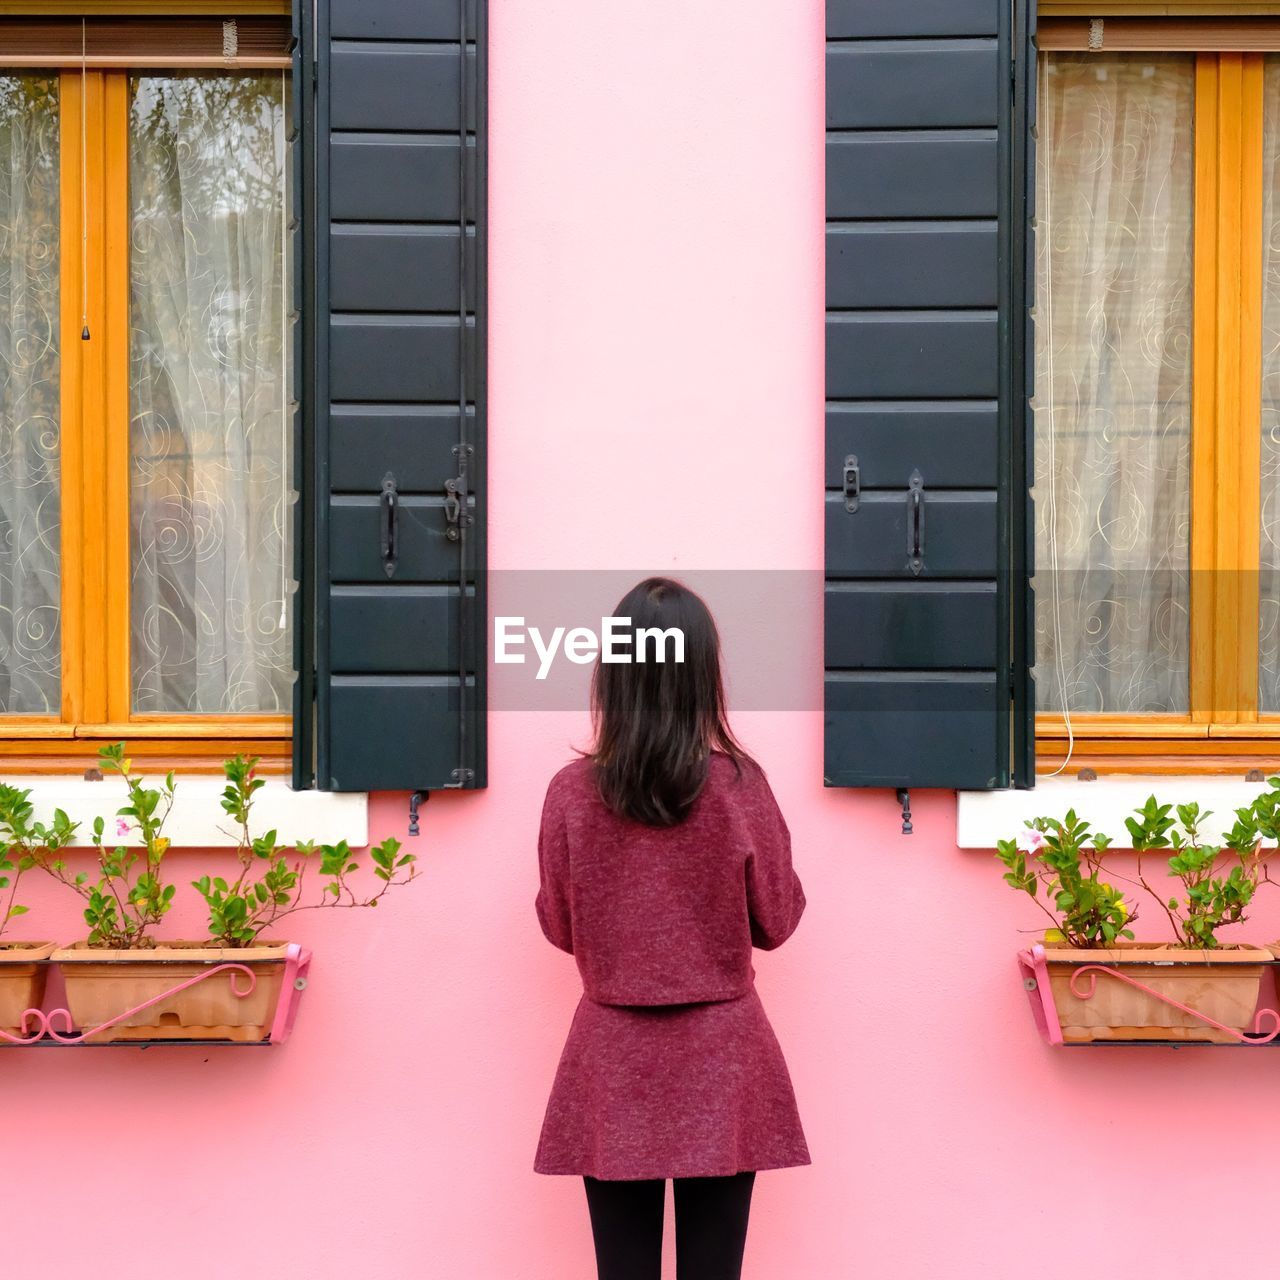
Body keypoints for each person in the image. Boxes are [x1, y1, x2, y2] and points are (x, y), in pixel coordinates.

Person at [533, 577, 809, 1280]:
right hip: (724, 1057)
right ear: (702, 676)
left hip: (611, 1057)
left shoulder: (570, 794)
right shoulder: (740, 786)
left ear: (613, 674)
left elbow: (560, 927)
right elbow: (777, 922)